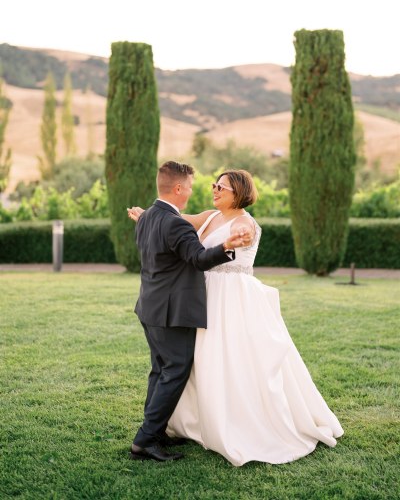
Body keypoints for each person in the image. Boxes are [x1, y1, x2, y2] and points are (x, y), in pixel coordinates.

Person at [129, 168, 344, 466]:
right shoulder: (209, 216)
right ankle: (176, 426)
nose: (214, 190)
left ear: (239, 192)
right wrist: (148, 216)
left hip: (232, 300)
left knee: (233, 362)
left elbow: (231, 244)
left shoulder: (246, 224)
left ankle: (237, 424)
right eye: (213, 184)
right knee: (194, 364)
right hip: (202, 298)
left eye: (222, 187)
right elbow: (173, 220)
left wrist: (232, 243)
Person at [127, 161, 252, 462]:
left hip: (150, 306)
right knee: (174, 371)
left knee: (160, 370)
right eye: (193, 187)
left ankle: (154, 433)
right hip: (172, 311)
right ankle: (145, 439)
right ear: (179, 188)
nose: (198, 191)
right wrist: (227, 246)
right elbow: (198, 259)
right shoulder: (175, 223)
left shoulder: (148, 217)